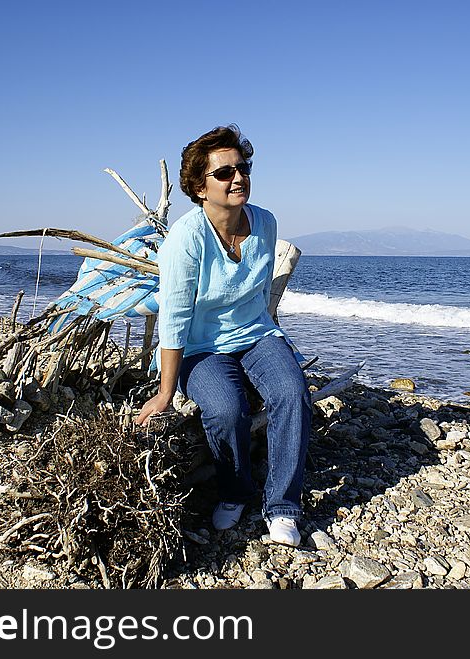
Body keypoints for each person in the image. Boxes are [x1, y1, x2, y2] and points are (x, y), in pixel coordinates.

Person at [135, 124, 311, 547]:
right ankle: (235, 493)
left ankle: (283, 506)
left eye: (243, 167)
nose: (238, 177)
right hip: (200, 345)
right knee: (227, 409)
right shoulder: (186, 238)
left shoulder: (264, 222)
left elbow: (254, 289)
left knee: (292, 393)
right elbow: (174, 318)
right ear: (199, 186)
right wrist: (165, 391)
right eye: (224, 172)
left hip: (255, 334)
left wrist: (270, 342)